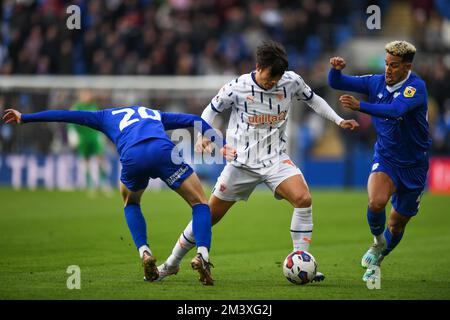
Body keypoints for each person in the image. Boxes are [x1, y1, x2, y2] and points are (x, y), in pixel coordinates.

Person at [156, 40, 359, 282]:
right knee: (208, 216)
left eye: (277, 77)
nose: (273, 82)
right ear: (258, 67)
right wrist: (203, 135)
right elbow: (211, 110)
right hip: (241, 164)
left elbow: (313, 99)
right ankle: (171, 263)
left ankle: (301, 260)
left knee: (303, 198)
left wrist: (338, 120)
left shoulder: (291, 81)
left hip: (275, 160)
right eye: (269, 77)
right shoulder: (237, 87)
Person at [2, 106, 236, 286]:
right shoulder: (153, 113)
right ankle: (202, 255)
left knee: (131, 202)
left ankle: (144, 252)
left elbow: (67, 115)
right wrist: (221, 144)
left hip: (133, 157)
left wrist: (26, 117)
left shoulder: (105, 116)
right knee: (200, 203)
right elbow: (193, 120)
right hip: (162, 152)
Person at [328, 40, 431, 281]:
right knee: (376, 202)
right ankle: (377, 242)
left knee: (396, 224)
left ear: (407, 67)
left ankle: (381, 254)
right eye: (386, 64)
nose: (388, 70)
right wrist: (335, 69)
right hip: (386, 157)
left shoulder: (416, 88)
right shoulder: (376, 81)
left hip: (414, 165)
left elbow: (396, 110)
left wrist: (360, 106)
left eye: (394, 66)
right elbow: (336, 83)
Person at [67, 90, 111, 196]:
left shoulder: (94, 105)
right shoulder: (76, 107)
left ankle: (104, 183)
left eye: (89, 94)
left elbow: (101, 120)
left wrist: (102, 134)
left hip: (95, 137)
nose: (87, 96)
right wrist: (72, 134)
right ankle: (90, 185)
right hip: (83, 138)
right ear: (81, 96)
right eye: (85, 94)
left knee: (100, 158)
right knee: (86, 161)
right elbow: (71, 122)